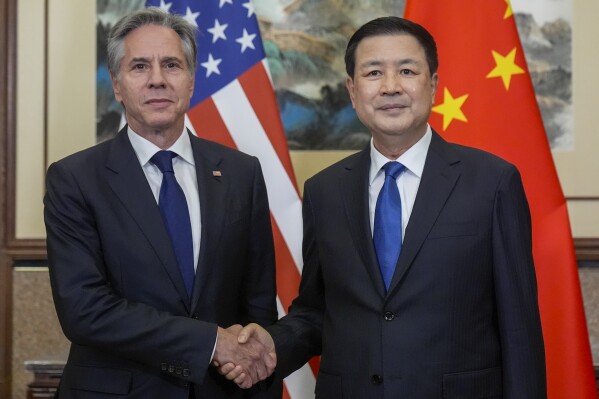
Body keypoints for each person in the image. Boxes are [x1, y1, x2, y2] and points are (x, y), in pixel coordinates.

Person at [221, 16, 547, 398]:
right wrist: (270, 345)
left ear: (434, 85)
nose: (391, 87)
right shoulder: (325, 191)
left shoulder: (492, 183)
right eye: (373, 73)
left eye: (407, 71)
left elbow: (518, 329)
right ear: (352, 90)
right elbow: (317, 311)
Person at [44, 8, 279, 399]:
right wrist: (210, 342)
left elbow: (257, 306)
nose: (157, 79)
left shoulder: (241, 173)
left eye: (171, 64)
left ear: (190, 81)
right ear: (117, 85)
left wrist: (252, 366)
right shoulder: (75, 179)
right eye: (139, 67)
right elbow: (84, 310)